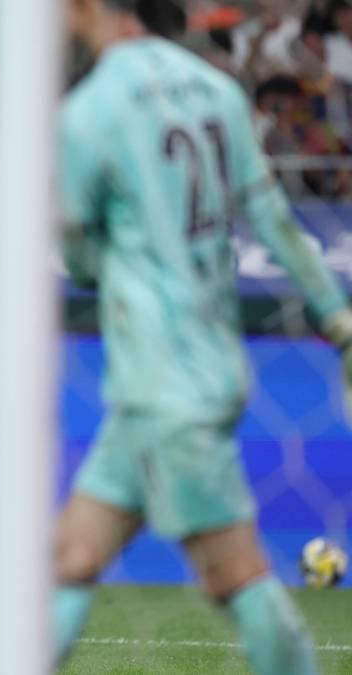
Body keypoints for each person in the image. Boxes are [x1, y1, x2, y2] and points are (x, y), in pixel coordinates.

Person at [54, 2, 352, 673]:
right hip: (204, 365)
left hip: (163, 379)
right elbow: (275, 218)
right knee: (71, 558)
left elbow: (76, 259)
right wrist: (338, 320)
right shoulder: (217, 89)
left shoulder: (89, 110)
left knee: (235, 572)